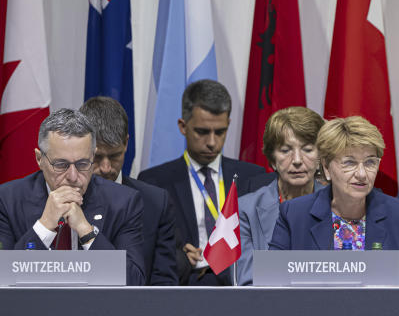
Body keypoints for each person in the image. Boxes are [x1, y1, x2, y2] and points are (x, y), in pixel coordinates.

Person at [268, 116, 399, 286]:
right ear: (327, 167)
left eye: (370, 163)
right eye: (349, 162)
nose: (362, 174)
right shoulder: (294, 214)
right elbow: (270, 284)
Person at [138, 80, 265, 285]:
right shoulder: (154, 182)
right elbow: (150, 250)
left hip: (241, 287)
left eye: (220, 132)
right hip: (183, 289)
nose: (212, 142)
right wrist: (177, 256)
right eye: (202, 132)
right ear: (183, 126)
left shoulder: (254, 178)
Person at [0, 109, 145, 285]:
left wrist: (86, 231)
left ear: (92, 157)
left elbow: (134, 283)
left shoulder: (123, 202)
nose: (73, 176)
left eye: (83, 164)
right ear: (39, 159)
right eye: (61, 165)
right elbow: (4, 280)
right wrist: (44, 227)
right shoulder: (8, 200)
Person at [79, 96, 179, 285]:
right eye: (97, 157)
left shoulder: (156, 202)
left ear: (126, 143)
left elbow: (164, 285)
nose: (107, 168)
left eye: (115, 155)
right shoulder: (63, 200)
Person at [236, 106, 326, 285]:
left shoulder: (339, 205)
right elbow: (248, 279)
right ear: (272, 160)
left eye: (307, 149)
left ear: (320, 158)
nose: (298, 160)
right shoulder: (245, 209)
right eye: (286, 151)